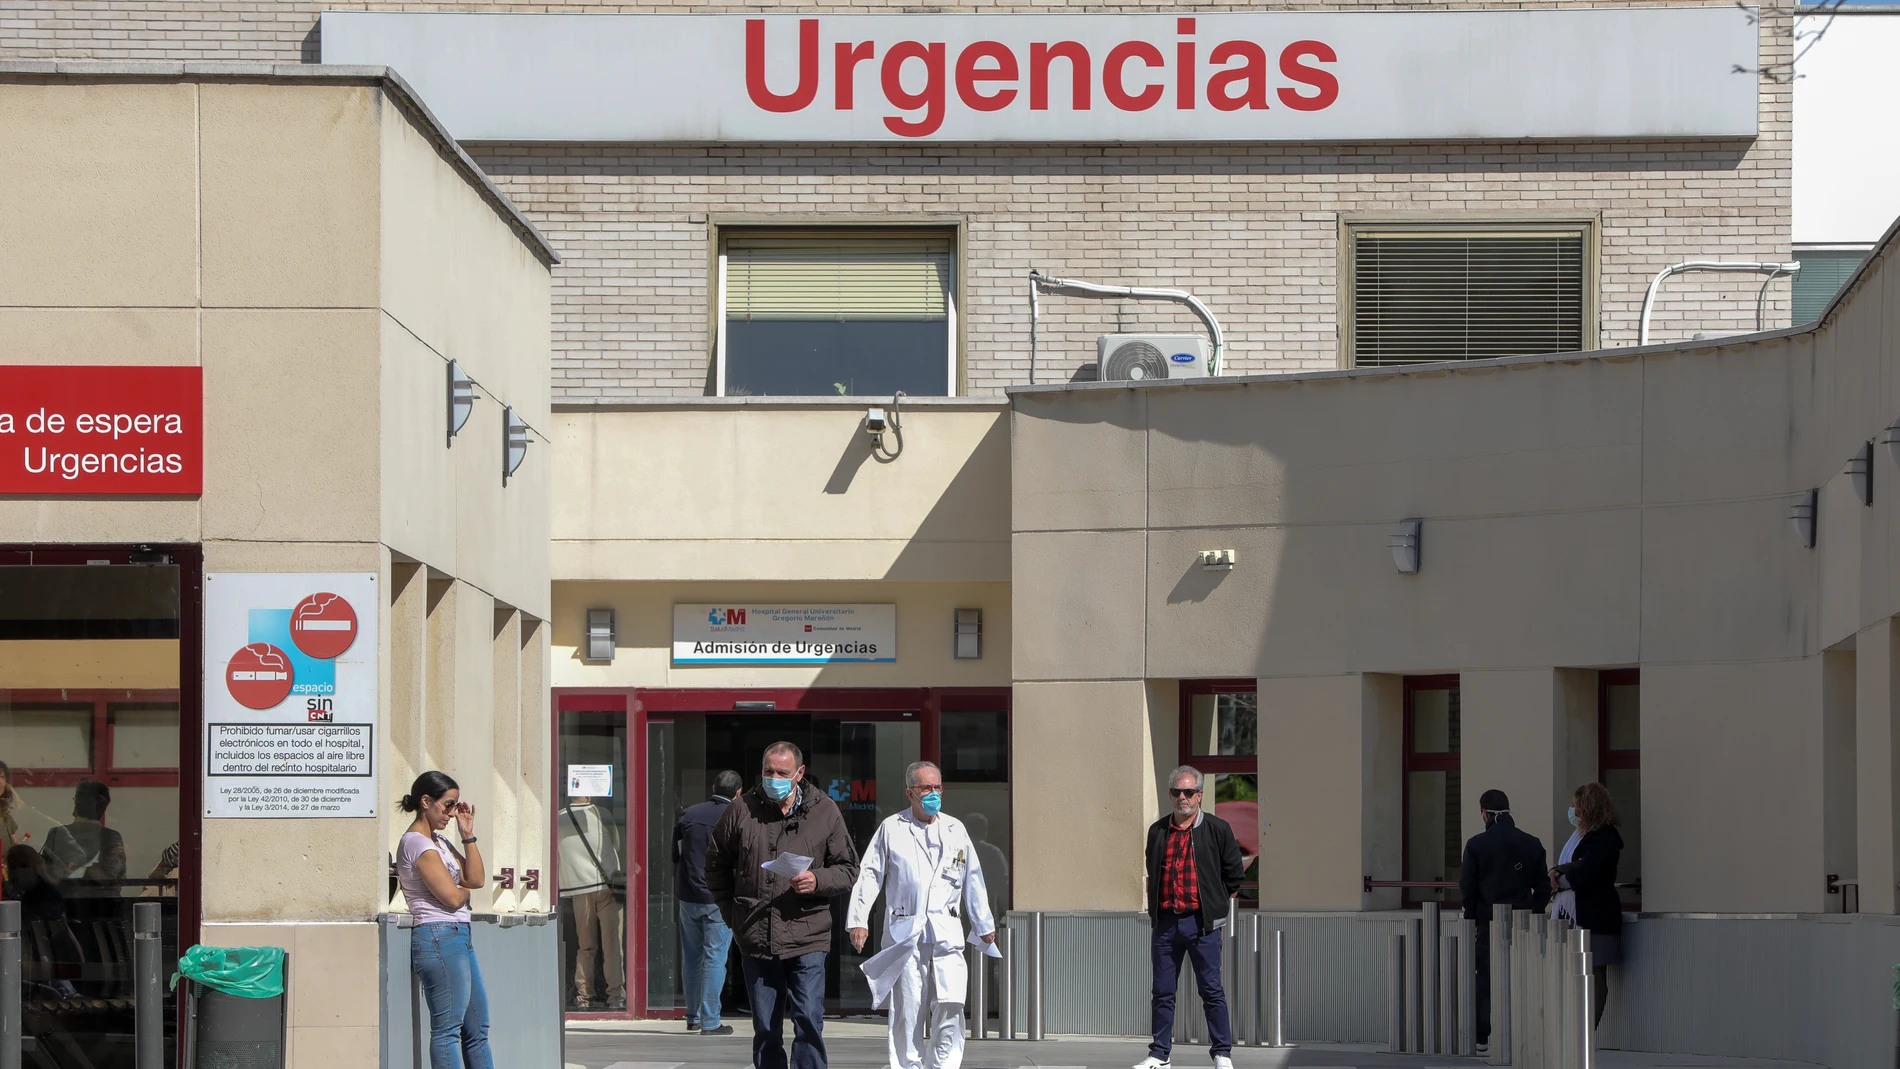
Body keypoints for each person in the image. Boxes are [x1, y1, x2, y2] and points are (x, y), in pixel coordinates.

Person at [705, 742, 859, 1069]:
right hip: (757, 937)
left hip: (808, 935)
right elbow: (715, 864)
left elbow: (848, 869)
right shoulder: (741, 810)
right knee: (765, 1029)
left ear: (799, 773)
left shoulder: (825, 811)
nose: (773, 778)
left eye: (782, 773)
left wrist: (817, 880)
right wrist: (732, 913)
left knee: (808, 1022)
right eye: (768, 772)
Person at [846, 761, 998, 1069]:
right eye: (926, 788)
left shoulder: (956, 829)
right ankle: (907, 1065)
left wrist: (983, 923)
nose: (933, 794)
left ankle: (943, 1065)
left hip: (946, 933)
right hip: (906, 934)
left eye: (937, 787)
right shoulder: (892, 827)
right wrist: (859, 920)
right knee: (908, 1010)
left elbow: (973, 877)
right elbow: (870, 874)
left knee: (951, 1004)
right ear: (910, 793)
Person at [1135, 766, 1246, 1069]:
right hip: (1167, 923)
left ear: (1200, 794)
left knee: (1211, 990)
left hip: (1202, 924)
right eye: (1176, 792)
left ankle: (1222, 1053)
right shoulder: (1158, 831)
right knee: (1162, 992)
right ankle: (1159, 1055)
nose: (1181, 798)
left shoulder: (1216, 828)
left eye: (1187, 792)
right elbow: (1153, 868)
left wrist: (1216, 901)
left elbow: (1234, 874)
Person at [396, 770, 491, 1069]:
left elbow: (475, 879)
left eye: (456, 805)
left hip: (458, 935)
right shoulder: (416, 843)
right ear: (426, 801)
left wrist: (467, 836)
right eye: (448, 805)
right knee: (448, 1031)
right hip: (437, 936)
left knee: (478, 1029)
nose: (452, 812)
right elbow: (451, 898)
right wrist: (463, 894)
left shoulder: (440, 843)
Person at [1458, 789, 1550, 1055]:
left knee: (1485, 981)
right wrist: (1533, 910)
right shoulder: (1532, 843)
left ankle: (1483, 1037)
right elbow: (1543, 887)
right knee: (1523, 978)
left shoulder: (1476, 845)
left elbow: (1468, 887)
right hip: (1523, 924)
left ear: (1485, 813)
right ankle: (1524, 1034)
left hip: (1488, 923)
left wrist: (1473, 917)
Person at [1550, 782, 1624, 1030]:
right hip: (1573, 913)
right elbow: (1574, 864)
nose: (1572, 811)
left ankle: (1585, 1031)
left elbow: (1588, 870)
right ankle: (1572, 1027)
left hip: (1594, 915)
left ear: (1588, 808)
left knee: (1594, 973)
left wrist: (1560, 881)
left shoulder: (1606, 837)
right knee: (1572, 972)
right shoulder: (1581, 835)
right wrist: (1556, 872)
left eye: (1575, 806)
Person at [674, 770, 743, 1033]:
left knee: (691, 958)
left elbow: (676, 855)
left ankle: (692, 1017)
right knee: (715, 958)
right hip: (718, 898)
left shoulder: (688, 815)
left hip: (688, 896)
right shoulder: (736, 817)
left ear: (713, 786)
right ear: (738, 793)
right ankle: (710, 1021)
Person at [560, 793, 627, 1011]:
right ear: (589, 793)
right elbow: (616, 844)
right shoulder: (601, 813)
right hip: (606, 887)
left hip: (578, 888)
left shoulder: (559, 818)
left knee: (585, 947)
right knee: (612, 947)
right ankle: (616, 998)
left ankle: (584, 998)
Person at [41, 780, 126, 884]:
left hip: (64, 898)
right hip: (104, 899)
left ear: (76, 804)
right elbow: (117, 877)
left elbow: (46, 875)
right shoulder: (113, 837)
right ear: (103, 808)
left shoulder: (56, 833)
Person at [963, 812, 1009, 923]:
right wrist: (1008, 910)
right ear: (984, 830)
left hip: (960, 911)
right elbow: (1004, 883)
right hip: (986, 910)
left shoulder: (956, 850)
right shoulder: (993, 852)